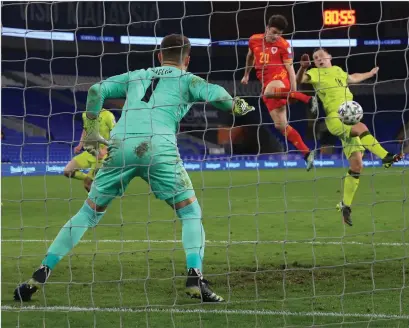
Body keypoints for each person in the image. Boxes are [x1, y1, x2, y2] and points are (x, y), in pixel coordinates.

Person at [14, 34, 254, 303]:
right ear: (187, 60)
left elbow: (96, 91)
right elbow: (218, 96)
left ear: (160, 56)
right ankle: (194, 278)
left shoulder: (136, 75)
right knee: (190, 211)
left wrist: (92, 130)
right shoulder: (188, 80)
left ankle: (40, 273)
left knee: (87, 214)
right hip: (158, 149)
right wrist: (238, 105)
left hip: (121, 145)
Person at [296, 48, 403, 226]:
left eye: (322, 56)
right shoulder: (314, 73)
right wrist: (302, 68)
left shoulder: (338, 70)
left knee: (357, 165)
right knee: (361, 127)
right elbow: (300, 80)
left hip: (348, 116)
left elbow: (353, 77)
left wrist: (370, 73)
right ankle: (386, 157)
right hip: (335, 117)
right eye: (316, 58)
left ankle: (345, 205)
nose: (319, 59)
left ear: (329, 57)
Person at [241, 14, 318, 170]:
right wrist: (246, 74)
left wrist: (294, 90)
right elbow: (250, 57)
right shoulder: (254, 40)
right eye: (274, 32)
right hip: (267, 83)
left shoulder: (283, 45)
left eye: (279, 33)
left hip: (279, 78)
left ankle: (308, 99)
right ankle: (306, 153)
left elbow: (289, 68)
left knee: (268, 92)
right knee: (280, 126)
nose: (276, 36)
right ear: (267, 28)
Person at [63, 109, 116, 192]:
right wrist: (80, 145)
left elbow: (115, 133)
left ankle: (96, 200)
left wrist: (106, 149)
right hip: (90, 151)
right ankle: (89, 179)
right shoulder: (85, 114)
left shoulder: (108, 115)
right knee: (67, 171)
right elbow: (85, 130)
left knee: (88, 185)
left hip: (102, 154)